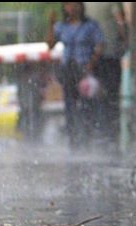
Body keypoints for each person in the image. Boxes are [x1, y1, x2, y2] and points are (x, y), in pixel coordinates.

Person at [47, 2, 104, 151]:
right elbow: (50, 45)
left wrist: (91, 65)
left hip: (84, 68)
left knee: (87, 105)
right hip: (68, 69)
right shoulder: (62, 26)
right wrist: (51, 25)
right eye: (68, 5)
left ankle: (87, 136)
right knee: (70, 105)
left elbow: (99, 45)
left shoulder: (90, 26)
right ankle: (73, 138)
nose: (71, 8)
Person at [85, 3, 127, 154]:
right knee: (111, 97)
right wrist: (125, 41)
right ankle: (110, 136)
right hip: (109, 54)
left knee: (93, 97)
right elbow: (120, 21)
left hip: (90, 57)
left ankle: (96, 134)